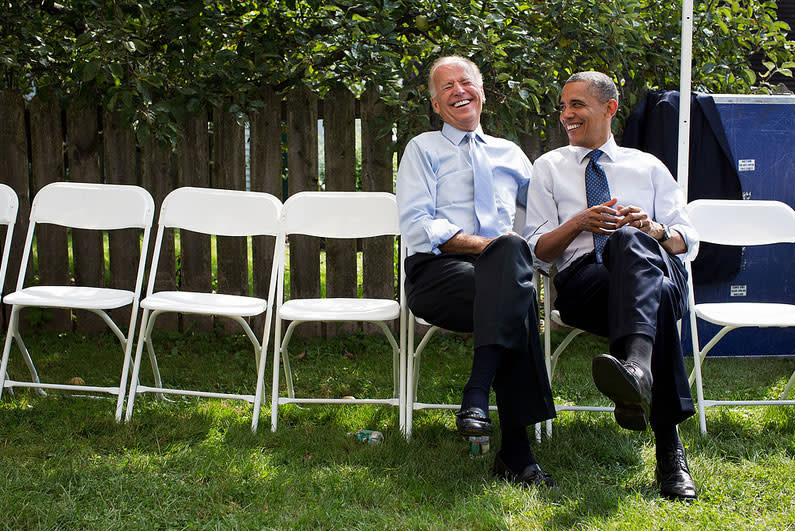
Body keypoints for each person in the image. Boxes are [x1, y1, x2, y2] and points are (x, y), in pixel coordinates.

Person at [524, 71, 700, 501]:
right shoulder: (549, 168)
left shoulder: (648, 165)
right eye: (563, 105)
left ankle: (637, 373)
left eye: (577, 105)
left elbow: (687, 239)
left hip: (657, 265)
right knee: (652, 295)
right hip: (588, 284)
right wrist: (580, 222)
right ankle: (668, 448)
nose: (566, 114)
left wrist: (653, 229)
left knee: (632, 242)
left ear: (609, 109)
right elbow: (536, 250)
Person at [396, 55, 556, 487]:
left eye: (465, 82)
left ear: (482, 92)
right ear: (435, 105)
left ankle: (477, 399)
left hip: (501, 276)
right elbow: (417, 224)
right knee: (514, 286)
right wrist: (495, 248)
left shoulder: (512, 155)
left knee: (511, 283)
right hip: (439, 274)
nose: (458, 91)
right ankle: (517, 452)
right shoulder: (422, 150)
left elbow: (543, 216)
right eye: (446, 87)